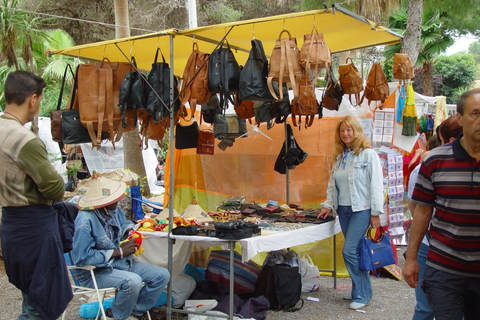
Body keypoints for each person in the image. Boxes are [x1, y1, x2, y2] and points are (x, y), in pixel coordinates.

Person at [0, 70, 71, 319]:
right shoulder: (23, 139)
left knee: (31, 296)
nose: (39, 104)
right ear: (32, 99)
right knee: (41, 306)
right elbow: (54, 189)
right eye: (40, 100)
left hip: (10, 225)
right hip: (34, 229)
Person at [404, 88, 480, 320]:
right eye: (475, 113)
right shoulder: (436, 161)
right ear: (459, 118)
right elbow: (422, 213)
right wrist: (411, 259)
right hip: (445, 269)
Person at [72, 172, 170, 320]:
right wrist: (117, 252)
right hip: (95, 272)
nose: (119, 199)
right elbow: (82, 258)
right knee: (132, 281)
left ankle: (131, 311)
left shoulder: (113, 209)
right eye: (114, 198)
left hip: (120, 264)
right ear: (103, 202)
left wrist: (131, 232)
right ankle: (120, 315)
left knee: (162, 275)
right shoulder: (85, 222)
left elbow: (125, 224)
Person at [317, 115, 384, 310]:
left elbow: (376, 184)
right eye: (342, 130)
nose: (346, 134)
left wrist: (375, 212)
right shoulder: (340, 158)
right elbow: (332, 185)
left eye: (349, 130)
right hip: (344, 211)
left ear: (356, 131)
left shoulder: (367, 154)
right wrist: (327, 205)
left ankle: (362, 295)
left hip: (361, 210)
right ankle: (362, 291)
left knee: (349, 251)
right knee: (354, 252)